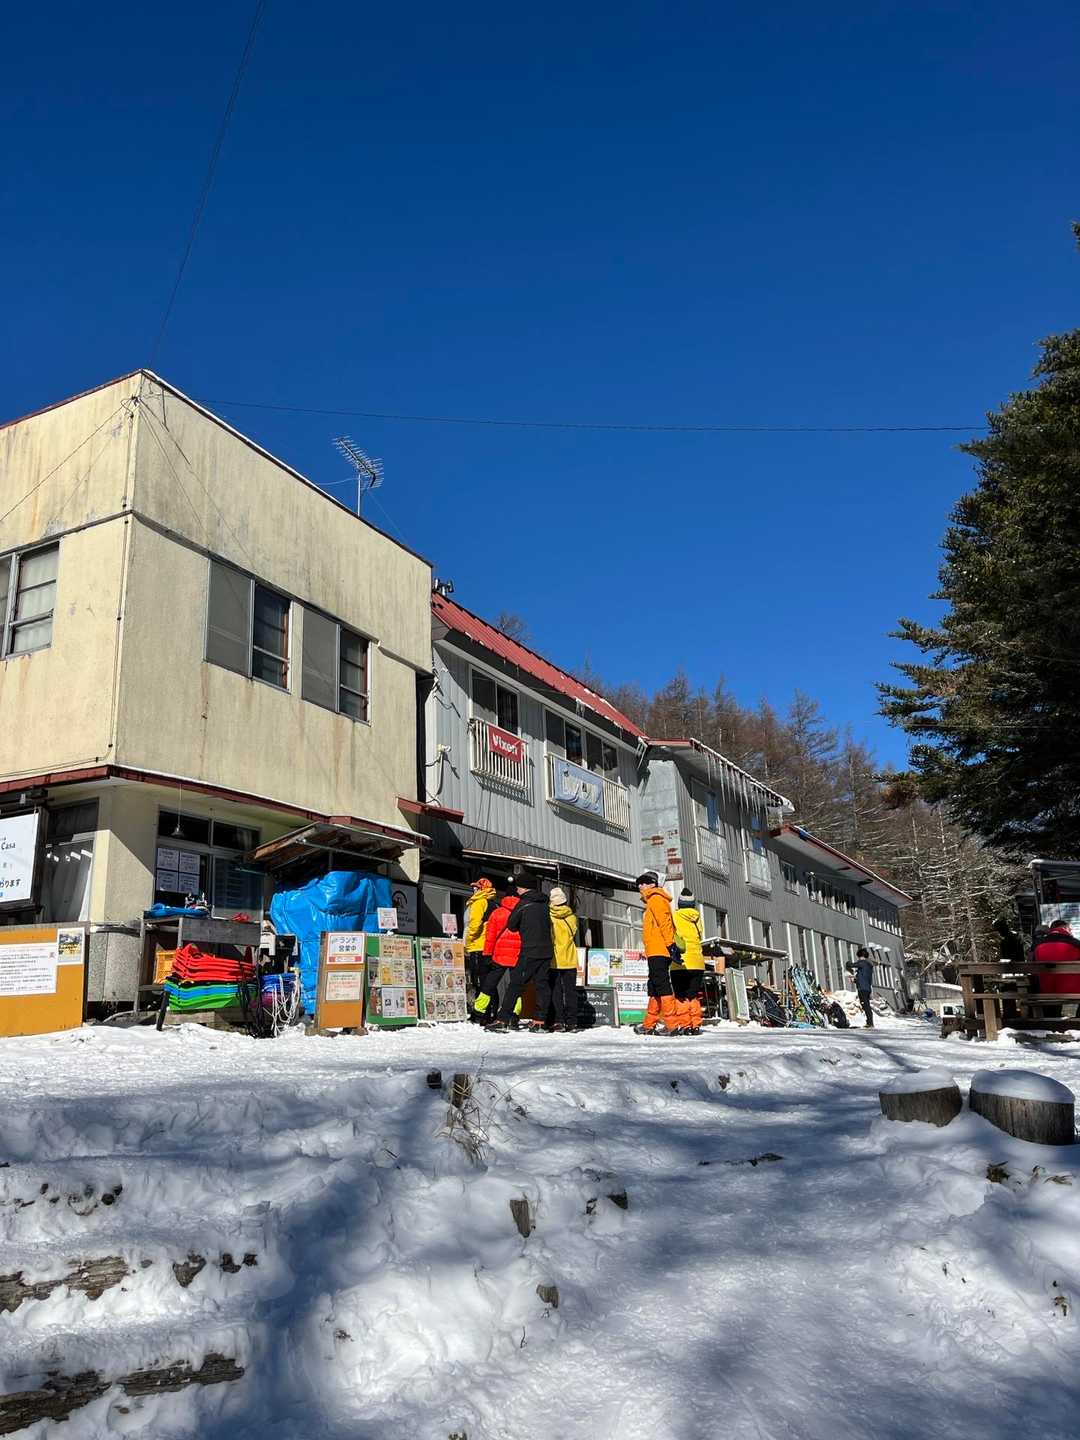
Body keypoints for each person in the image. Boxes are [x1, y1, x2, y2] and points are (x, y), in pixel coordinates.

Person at [489, 874, 554, 1033]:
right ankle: (539, 1021)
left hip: (529, 950)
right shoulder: (545, 904)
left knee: (516, 984)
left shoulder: (523, 904)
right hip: (546, 951)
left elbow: (511, 925)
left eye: (518, 887)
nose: (517, 890)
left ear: (524, 888)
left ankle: (503, 1019)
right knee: (542, 985)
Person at [635, 872, 682, 1035]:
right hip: (655, 950)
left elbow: (665, 923)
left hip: (659, 950)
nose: (640, 886)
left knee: (661, 985)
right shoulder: (652, 900)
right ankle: (649, 1024)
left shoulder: (656, 899)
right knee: (654, 986)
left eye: (643, 883)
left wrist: (670, 945)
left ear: (653, 884)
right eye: (639, 883)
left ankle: (672, 1025)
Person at [471, 891, 520, 1024]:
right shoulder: (523, 913)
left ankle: (479, 1011)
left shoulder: (497, 913)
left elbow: (490, 937)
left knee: (489, 984)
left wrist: (487, 954)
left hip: (499, 955)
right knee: (515, 985)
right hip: (517, 955)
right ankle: (514, 1014)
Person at [671, 887, 705, 1034]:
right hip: (698, 962)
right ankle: (695, 1025)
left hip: (680, 962)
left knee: (681, 996)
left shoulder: (674, 916)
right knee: (693, 996)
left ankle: (685, 1025)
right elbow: (700, 935)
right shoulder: (697, 918)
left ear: (680, 903)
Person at [1032, 919, 1080, 1018]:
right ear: (1065, 928)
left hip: (1045, 991)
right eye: (1070, 929)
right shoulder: (1076, 944)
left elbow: (1032, 967)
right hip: (1073, 991)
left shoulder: (1037, 944)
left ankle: (1051, 1018)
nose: (1071, 931)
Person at [548, 887, 579, 1032]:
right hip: (570, 958)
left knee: (556, 990)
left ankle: (558, 1020)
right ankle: (572, 1022)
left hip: (554, 958)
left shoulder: (549, 917)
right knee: (570, 991)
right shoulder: (572, 917)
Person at [463, 877, 497, 995]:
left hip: (477, 946)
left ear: (482, 889)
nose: (474, 889)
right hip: (490, 947)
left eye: (476, 887)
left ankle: (481, 1006)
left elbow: (475, 925)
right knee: (489, 983)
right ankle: (493, 1005)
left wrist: (468, 941)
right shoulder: (493, 904)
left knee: (478, 982)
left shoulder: (479, 903)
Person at [853, 946, 875, 1028]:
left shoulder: (863, 963)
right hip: (866, 987)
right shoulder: (868, 965)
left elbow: (852, 964)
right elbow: (863, 977)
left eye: (859, 957)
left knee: (866, 1005)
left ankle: (870, 1023)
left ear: (861, 956)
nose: (858, 959)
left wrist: (847, 963)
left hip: (862, 988)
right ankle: (869, 1022)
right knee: (866, 1005)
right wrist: (855, 979)